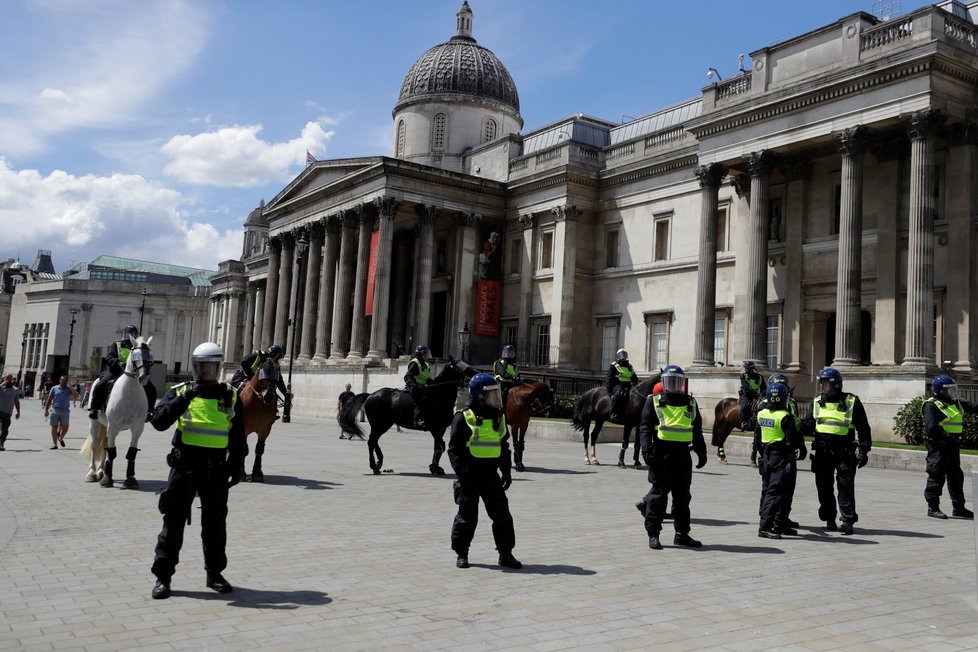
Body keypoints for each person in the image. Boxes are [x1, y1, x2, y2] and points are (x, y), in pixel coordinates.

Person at [149, 342, 245, 600]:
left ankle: (214, 573)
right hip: (184, 465)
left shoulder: (230, 395)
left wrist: (237, 466)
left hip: (215, 468)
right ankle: (163, 576)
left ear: (218, 367)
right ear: (194, 367)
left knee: (215, 525)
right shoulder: (180, 391)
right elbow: (158, 422)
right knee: (173, 522)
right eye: (202, 366)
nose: (206, 371)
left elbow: (238, 437)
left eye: (211, 367)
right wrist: (183, 399)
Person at [448, 372, 521, 570]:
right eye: (492, 395)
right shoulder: (463, 418)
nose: (496, 398)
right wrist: (462, 475)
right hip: (469, 475)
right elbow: (454, 450)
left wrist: (506, 471)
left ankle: (505, 554)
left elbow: (503, 447)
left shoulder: (499, 418)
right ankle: (462, 553)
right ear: (480, 396)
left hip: (491, 476)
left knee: (502, 516)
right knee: (467, 517)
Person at [638, 364, 707, 550]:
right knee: (659, 497)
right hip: (661, 455)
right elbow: (644, 428)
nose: (674, 386)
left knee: (683, 497)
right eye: (670, 382)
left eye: (678, 382)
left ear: (682, 384)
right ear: (664, 382)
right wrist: (647, 451)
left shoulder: (691, 403)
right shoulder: (654, 401)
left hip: (683, 455)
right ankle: (653, 534)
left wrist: (702, 453)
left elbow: (697, 431)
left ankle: (681, 534)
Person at [803, 367, 872, 535]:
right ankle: (829, 518)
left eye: (826, 385)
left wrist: (864, 451)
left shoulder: (851, 401)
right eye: (821, 385)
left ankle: (847, 520)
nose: (823, 388)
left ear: (836, 385)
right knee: (824, 487)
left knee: (845, 488)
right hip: (822, 453)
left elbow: (863, 428)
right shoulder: (817, 402)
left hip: (844, 452)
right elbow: (807, 425)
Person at [754, 382, 807, 539]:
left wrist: (762, 454)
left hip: (767, 455)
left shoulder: (761, 414)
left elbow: (757, 438)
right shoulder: (786, 417)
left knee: (775, 489)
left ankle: (781, 524)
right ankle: (765, 527)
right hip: (781, 457)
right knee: (776, 491)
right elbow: (791, 442)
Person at [922, 374, 977, 519]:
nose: (952, 392)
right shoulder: (932, 405)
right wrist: (948, 437)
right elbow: (932, 429)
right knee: (936, 476)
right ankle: (933, 508)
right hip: (938, 447)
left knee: (956, 478)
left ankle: (959, 508)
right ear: (940, 390)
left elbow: (973, 407)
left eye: (953, 389)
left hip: (952, 447)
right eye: (949, 389)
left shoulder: (955, 403)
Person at [89, 325, 157, 421]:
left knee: (151, 388)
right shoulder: (116, 344)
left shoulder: (139, 347)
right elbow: (109, 358)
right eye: (128, 334)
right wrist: (118, 362)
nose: (130, 336)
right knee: (101, 384)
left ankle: (149, 411)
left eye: (133, 334)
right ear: (124, 335)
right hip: (117, 370)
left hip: (134, 373)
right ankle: (94, 409)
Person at [44, 375, 78, 449]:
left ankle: (61, 438)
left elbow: (76, 396)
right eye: (62, 380)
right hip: (55, 410)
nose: (64, 382)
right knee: (54, 427)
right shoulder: (54, 388)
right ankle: (55, 444)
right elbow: (49, 399)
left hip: (65, 411)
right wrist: (46, 409)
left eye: (65, 381)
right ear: (60, 380)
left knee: (65, 427)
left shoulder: (68, 389)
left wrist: (71, 387)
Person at [404, 345, 433, 429]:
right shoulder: (415, 363)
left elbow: (426, 378)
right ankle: (417, 420)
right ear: (421, 354)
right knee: (420, 398)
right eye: (426, 354)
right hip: (414, 387)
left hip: (423, 387)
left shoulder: (427, 364)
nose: (427, 356)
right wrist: (414, 385)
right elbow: (407, 377)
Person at [606, 349, 639, 423]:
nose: (623, 356)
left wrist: (635, 383)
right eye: (621, 354)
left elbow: (634, 377)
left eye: (624, 354)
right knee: (617, 395)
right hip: (618, 385)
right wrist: (609, 391)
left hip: (629, 386)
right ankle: (613, 414)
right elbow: (609, 379)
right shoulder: (614, 366)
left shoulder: (630, 367)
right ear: (618, 356)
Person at [739, 360, 766, 432]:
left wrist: (763, 394)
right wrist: (755, 394)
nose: (746, 370)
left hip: (758, 396)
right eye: (746, 369)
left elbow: (764, 388)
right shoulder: (743, 376)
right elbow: (746, 388)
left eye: (747, 368)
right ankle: (743, 422)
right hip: (746, 395)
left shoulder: (760, 377)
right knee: (744, 406)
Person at [0, 374, 21, 451]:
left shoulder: (15, 390)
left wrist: (18, 412)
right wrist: (2, 384)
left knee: (5, 429)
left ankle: (1, 444)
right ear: (4, 379)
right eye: (7, 378)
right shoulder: (1, 388)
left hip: (8, 412)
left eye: (10, 378)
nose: (8, 380)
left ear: (12, 379)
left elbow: (16, 401)